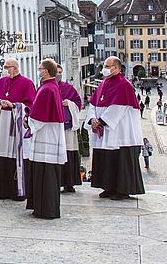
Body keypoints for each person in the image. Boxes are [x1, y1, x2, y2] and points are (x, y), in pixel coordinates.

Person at [83, 56, 145, 200]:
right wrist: (92, 118)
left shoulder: (124, 85)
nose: (104, 69)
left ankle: (123, 189)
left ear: (116, 68)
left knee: (120, 161)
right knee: (107, 160)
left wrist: (101, 122)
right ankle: (109, 187)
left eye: (107, 66)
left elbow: (119, 107)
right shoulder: (104, 83)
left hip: (121, 133)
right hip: (105, 131)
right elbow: (93, 104)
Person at [0, 57, 36, 201]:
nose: (5, 69)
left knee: (15, 155)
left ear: (15, 68)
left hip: (16, 122)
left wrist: (15, 105)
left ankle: (16, 191)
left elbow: (30, 103)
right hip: (1, 121)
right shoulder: (1, 82)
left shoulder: (27, 83)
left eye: (7, 67)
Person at [25, 58, 67, 219]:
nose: (38, 70)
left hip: (46, 137)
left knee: (46, 174)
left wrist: (28, 121)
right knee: (45, 173)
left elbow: (39, 117)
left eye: (40, 68)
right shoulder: (50, 87)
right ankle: (43, 207)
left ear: (46, 71)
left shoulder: (47, 89)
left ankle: (46, 209)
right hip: (48, 134)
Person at [55, 65, 82, 193]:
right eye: (56, 72)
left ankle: (69, 183)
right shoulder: (46, 87)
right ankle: (57, 181)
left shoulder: (68, 88)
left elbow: (78, 103)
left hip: (67, 127)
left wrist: (69, 104)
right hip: (54, 127)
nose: (58, 74)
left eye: (60, 72)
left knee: (69, 153)